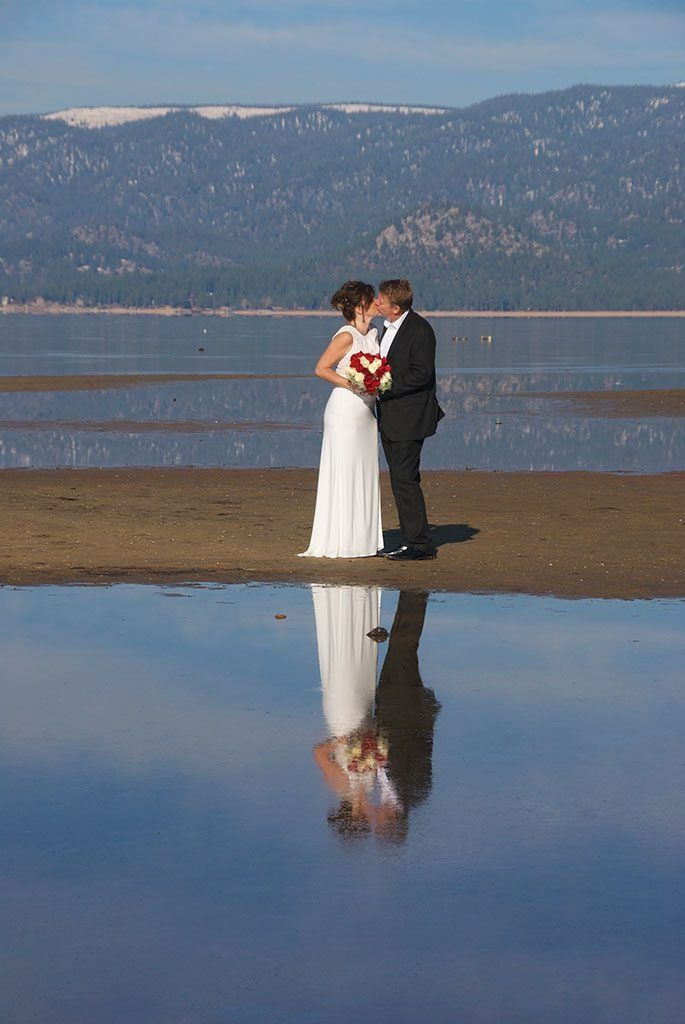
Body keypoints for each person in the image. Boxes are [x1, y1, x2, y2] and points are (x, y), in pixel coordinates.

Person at [298, 280, 383, 558]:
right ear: (360, 307)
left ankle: (362, 540)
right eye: (372, 300)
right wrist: (351, 384)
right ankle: (342, 539)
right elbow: (321, 368)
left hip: (367, 413)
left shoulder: (374, 333)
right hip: (345, 410)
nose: (377, 303)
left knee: (363, 470)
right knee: (344, 472)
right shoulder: (346, 336)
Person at [375, 279, 444, 560]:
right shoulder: (386, 328)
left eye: (380, 299)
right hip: (391, 416)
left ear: (396, 305)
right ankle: (410, 539)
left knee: (405, 479)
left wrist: (386, 384)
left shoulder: (420, 329)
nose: (376, 302)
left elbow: (422, 373)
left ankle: (419, 545)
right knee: (399, 479)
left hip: (409, 417)